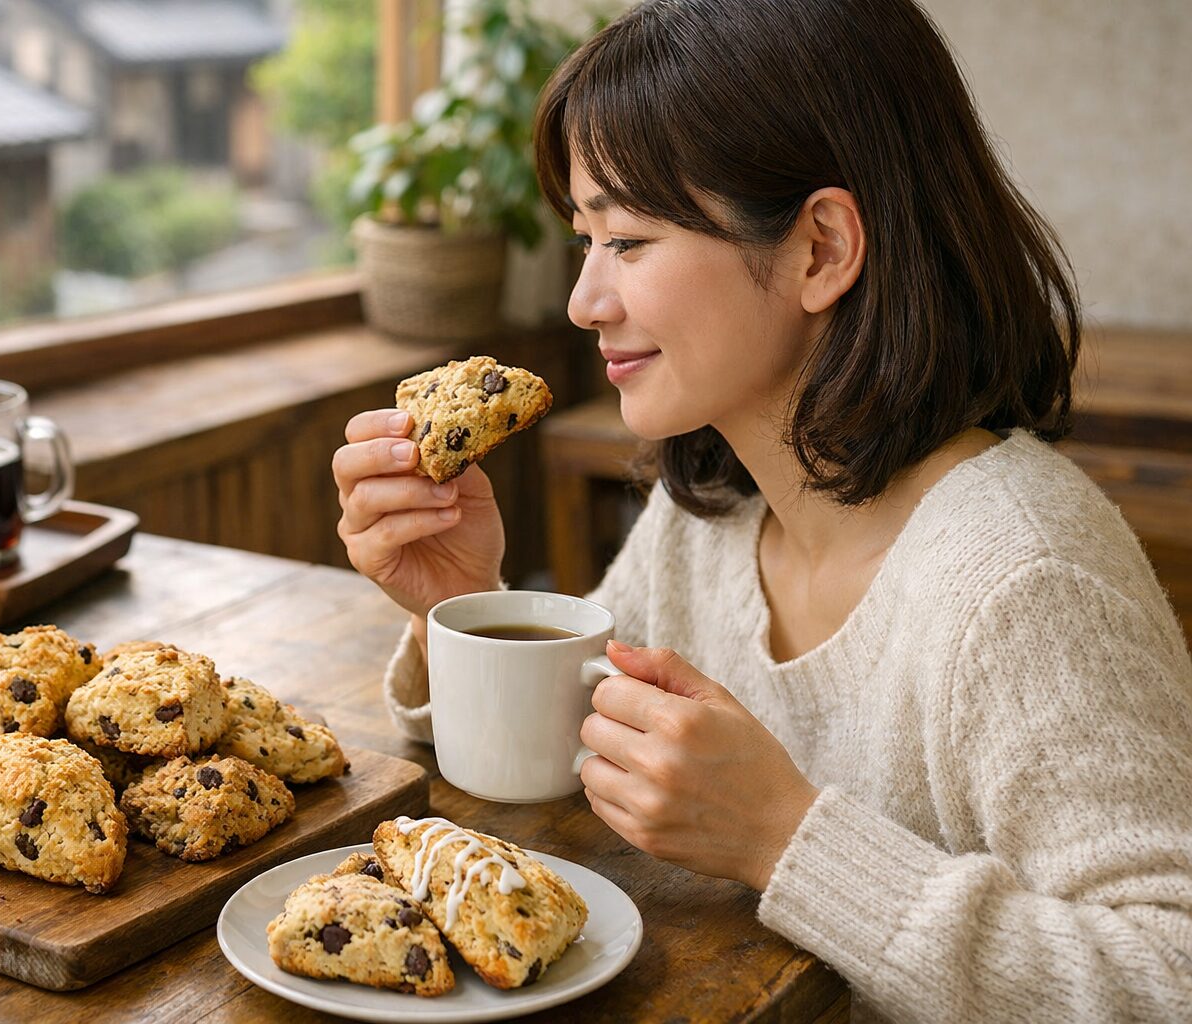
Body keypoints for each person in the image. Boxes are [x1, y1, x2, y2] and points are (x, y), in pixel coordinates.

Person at [332, 0, 1192, 1020]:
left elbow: (1168, 973)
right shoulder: (710, 516)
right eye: (583, 238)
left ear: (821, 248)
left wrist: (786, 837)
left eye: (629, 239)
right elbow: (582, 759)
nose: (583, 300)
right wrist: (464, 605)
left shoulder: (1024, 578)